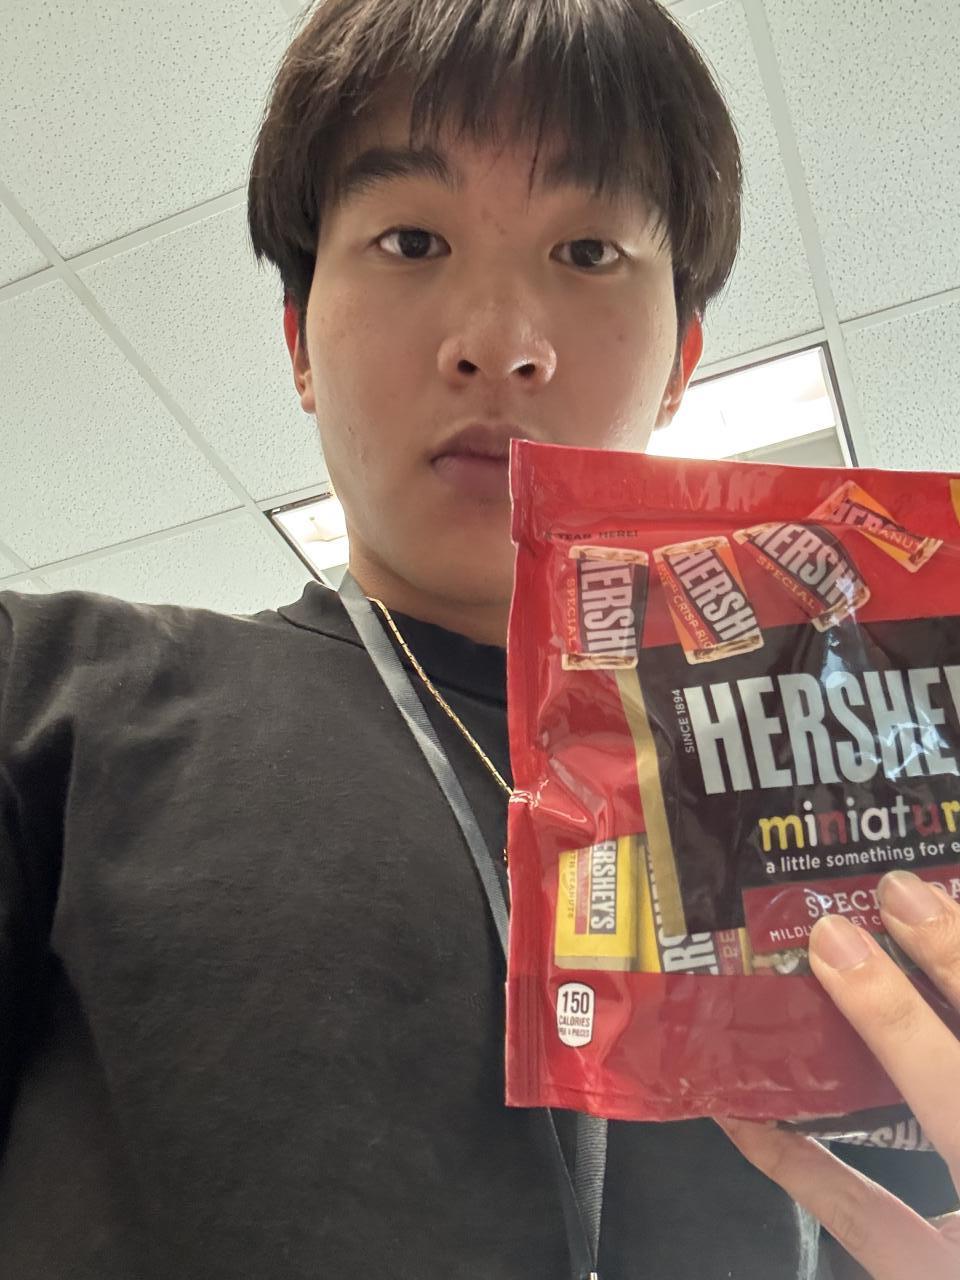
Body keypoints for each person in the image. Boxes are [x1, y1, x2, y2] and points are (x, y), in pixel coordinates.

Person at [0, 1, 957, 1277]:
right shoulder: (47, 705)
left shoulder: (877, 802)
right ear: (298, 340)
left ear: (682, 362)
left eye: (589, 250)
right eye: (411, 239)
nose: (501, 346)